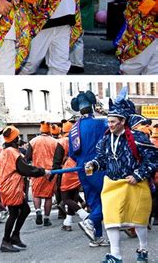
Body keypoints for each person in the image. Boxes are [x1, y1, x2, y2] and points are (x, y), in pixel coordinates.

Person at [85, 88, 158, 263]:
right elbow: (101, 159)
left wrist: (138, 174)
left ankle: (143, 249)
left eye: (113, 121)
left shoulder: (138, 137)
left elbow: (153, 158)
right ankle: (115, 255)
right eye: (108, 121)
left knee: (138, 221)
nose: (109, 125)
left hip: (134, 184)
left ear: (122, 121)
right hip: (112, 184)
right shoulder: (104, 140)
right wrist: (93, 164)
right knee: (110, 220)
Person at [0, 125, 49, 252]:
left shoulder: (5, 152)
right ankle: (5, 241)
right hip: (12, 187)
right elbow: (26, 169)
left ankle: (15, 236)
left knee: (24, 210)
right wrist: (43, 171)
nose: (19, 139)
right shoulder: (12, 152)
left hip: (10, 186)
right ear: (14, 139)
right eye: (18, 136)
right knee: (14, 214)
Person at [68, 90, 108, 245]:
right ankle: (90, 222)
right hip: (97, 167)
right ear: (92, 107)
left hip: (81, 169)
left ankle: (97, 238)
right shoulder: (100, 123)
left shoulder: (73, 129)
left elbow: (72, 154)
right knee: (110, 199)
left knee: (94, 202)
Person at [52, 120, 93, 237]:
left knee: (65, 198)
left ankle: (85, 216)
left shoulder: (63, 141)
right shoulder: (81, 139)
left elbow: (57, 161)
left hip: (68, 170)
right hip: (81, 168)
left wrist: (53, 174)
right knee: (73, 196)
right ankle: (68, 222)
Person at [25, 121, 57, 226]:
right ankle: (47, 218)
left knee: (36, 194)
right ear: (49, 131)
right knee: (48, 196)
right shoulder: (55, 142)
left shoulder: (33, 141)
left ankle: (38, 211)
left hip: (36, 171)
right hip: (50, 172)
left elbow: (28, 157)